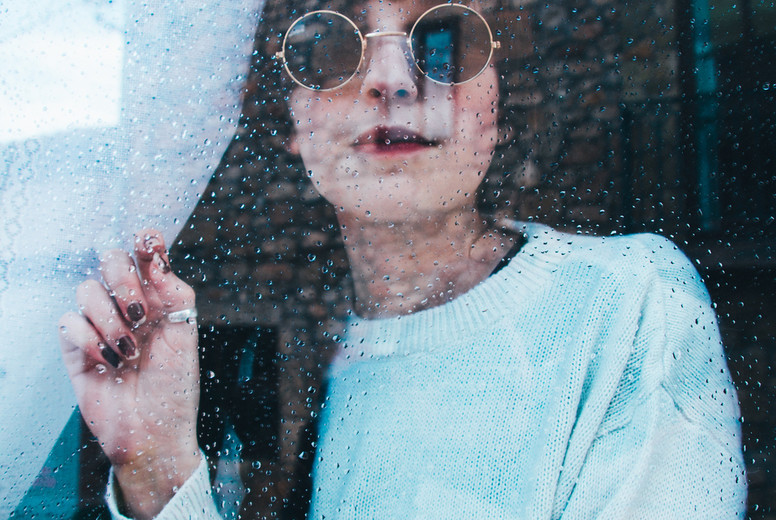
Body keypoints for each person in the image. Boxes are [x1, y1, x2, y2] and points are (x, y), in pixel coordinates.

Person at [58, 0, 747, 518]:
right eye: (331, 47)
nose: (390, 79)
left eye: (444, 40)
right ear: (291, 116)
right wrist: (157, 474)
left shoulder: (625, 301)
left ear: (498, 100)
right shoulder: (319, 353)